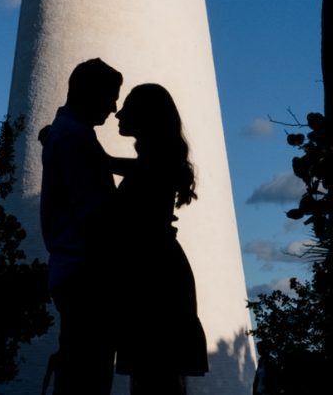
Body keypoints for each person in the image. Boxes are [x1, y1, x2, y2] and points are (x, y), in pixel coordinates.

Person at [110, 83, 208, 394]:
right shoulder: (156, 164)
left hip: (155, 278)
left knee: (154, 376)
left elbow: (139, 171)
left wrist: (87, 153)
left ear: (146, 116)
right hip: (159, 274)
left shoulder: (153, 166)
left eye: (128, 108)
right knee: (157, 377)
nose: (117, 113)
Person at [39, 58, 126, 395]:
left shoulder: (67, 133)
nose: (114, 107)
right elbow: (94, 215)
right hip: (87, 277)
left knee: (79, 372)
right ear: (89, 92)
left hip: (71, 272)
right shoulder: (75, 137)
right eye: (111, 96)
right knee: (87, 378)